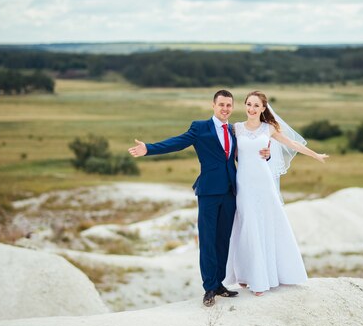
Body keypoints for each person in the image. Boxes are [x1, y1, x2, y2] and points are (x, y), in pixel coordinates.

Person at [127, 90, 270, 307]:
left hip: (231, 191)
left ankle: (220, 283)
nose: (225, 109)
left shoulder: (234, 130)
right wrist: (148, 149)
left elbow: (248, 156)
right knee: (207, 240)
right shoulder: (200, 127)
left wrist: (265, 157)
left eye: (229, 105)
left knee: (223, 240)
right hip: (209, 192)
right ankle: (209, 287)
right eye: (221, 104)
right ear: (213, 106)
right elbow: (177, 142)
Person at [224, 91, 328, 296]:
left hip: (264, 183)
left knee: (268, 224)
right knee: (247, 225)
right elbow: (232, 154)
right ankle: (247, 275)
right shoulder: (235, 128)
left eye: (256, 106)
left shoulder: (269, 129)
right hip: (244, 183)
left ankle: (265, 278)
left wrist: (315, 155)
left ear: (264, 109)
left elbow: (293, 144)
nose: (252, 109)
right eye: (249, 104)